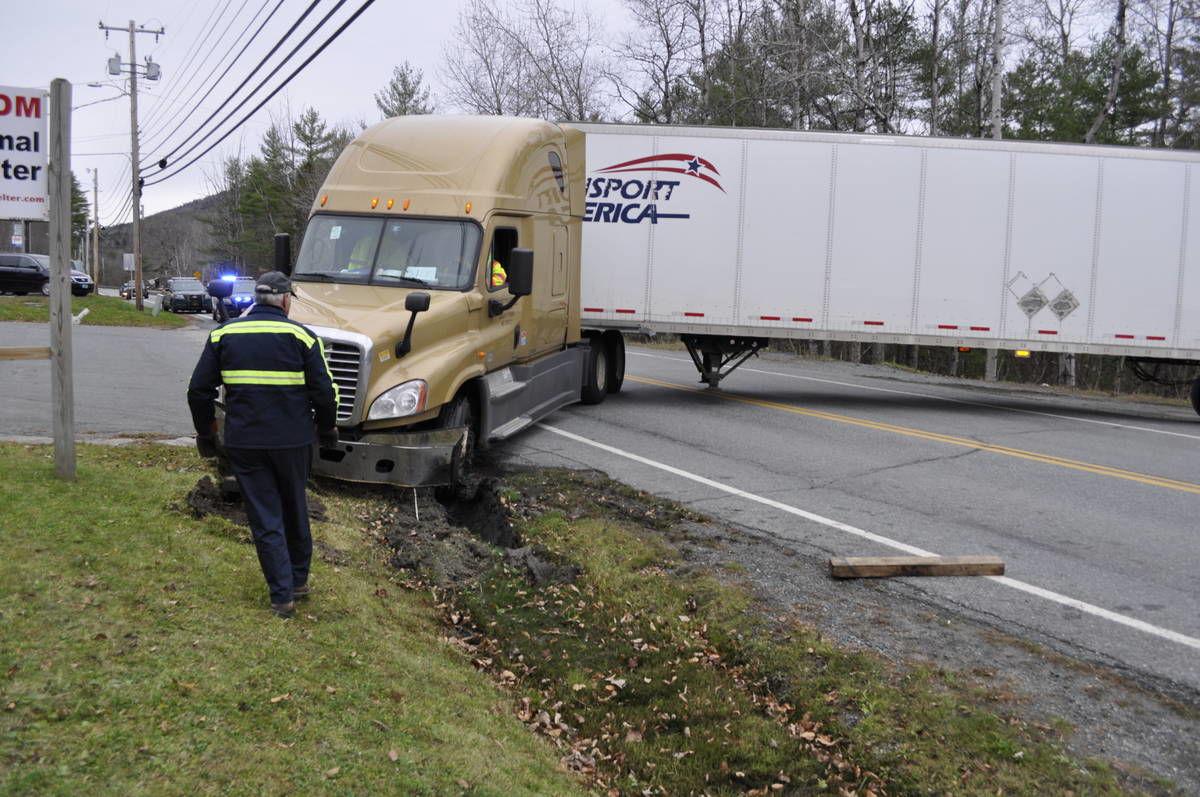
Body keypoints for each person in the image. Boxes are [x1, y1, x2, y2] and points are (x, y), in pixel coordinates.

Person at [187, 272, 339, 619]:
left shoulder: (224, 335)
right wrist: (327, 427)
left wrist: (207, 433)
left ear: (256, 298)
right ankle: (297, 582)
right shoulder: (303, 336)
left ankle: (282, 596)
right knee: (294, 507)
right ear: (285, 300)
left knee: (265, 515)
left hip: (246, 442)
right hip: (293, 442)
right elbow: (324, 392)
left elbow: (198, 391)